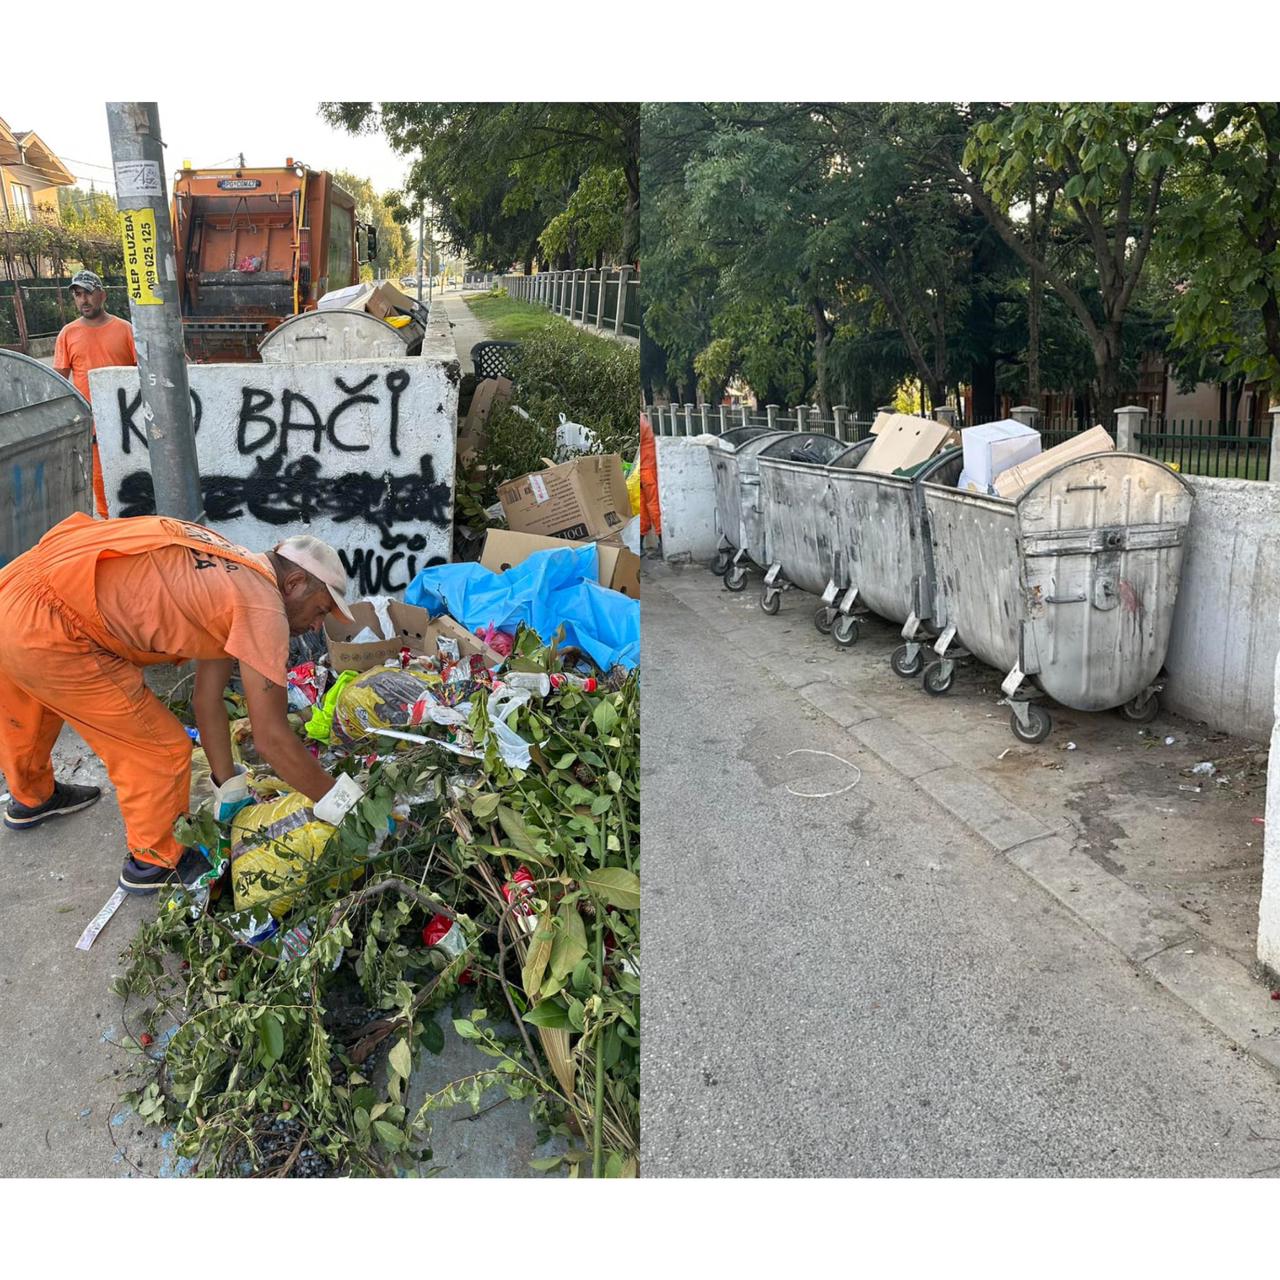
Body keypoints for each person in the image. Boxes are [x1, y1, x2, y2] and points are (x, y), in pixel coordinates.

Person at [0, 513, 367, 895]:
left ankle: (32, 796)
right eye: (321, 610)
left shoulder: (234, 574)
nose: (316, 626)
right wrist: (344, 804)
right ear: (293, 583)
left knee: (27, 708)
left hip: (12, 592)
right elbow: (271, 739)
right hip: (52, 625)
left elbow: (207, 700)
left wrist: (230, 788)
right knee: (160, 750)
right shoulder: (263, 608)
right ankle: (154, 862)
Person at [52, 269, 138, 519]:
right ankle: (109, 528)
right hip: (92, 427)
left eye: (88, 293)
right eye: (78, 295)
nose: (83, 300)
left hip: (127, 424)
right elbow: (58, 383)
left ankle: (136, 527)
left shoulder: (125, 330)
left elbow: (142, 375)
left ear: (103, 295)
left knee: (132, 479)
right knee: (101, 484)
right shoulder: (68, 334)